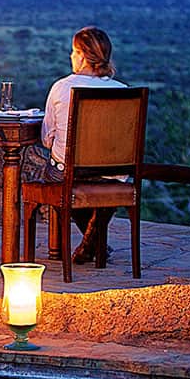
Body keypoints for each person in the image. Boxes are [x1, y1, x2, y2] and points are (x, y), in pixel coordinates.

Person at [39, 26, 127, 264]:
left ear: (81, 55)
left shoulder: (62, 87)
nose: (70, 56)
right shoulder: (123, 92)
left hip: (69, 174)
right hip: (113, 174)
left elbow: (47, 139)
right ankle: (94, 242)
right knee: (109, 182)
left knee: (54, 177)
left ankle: (93, 244)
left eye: (72, 51)